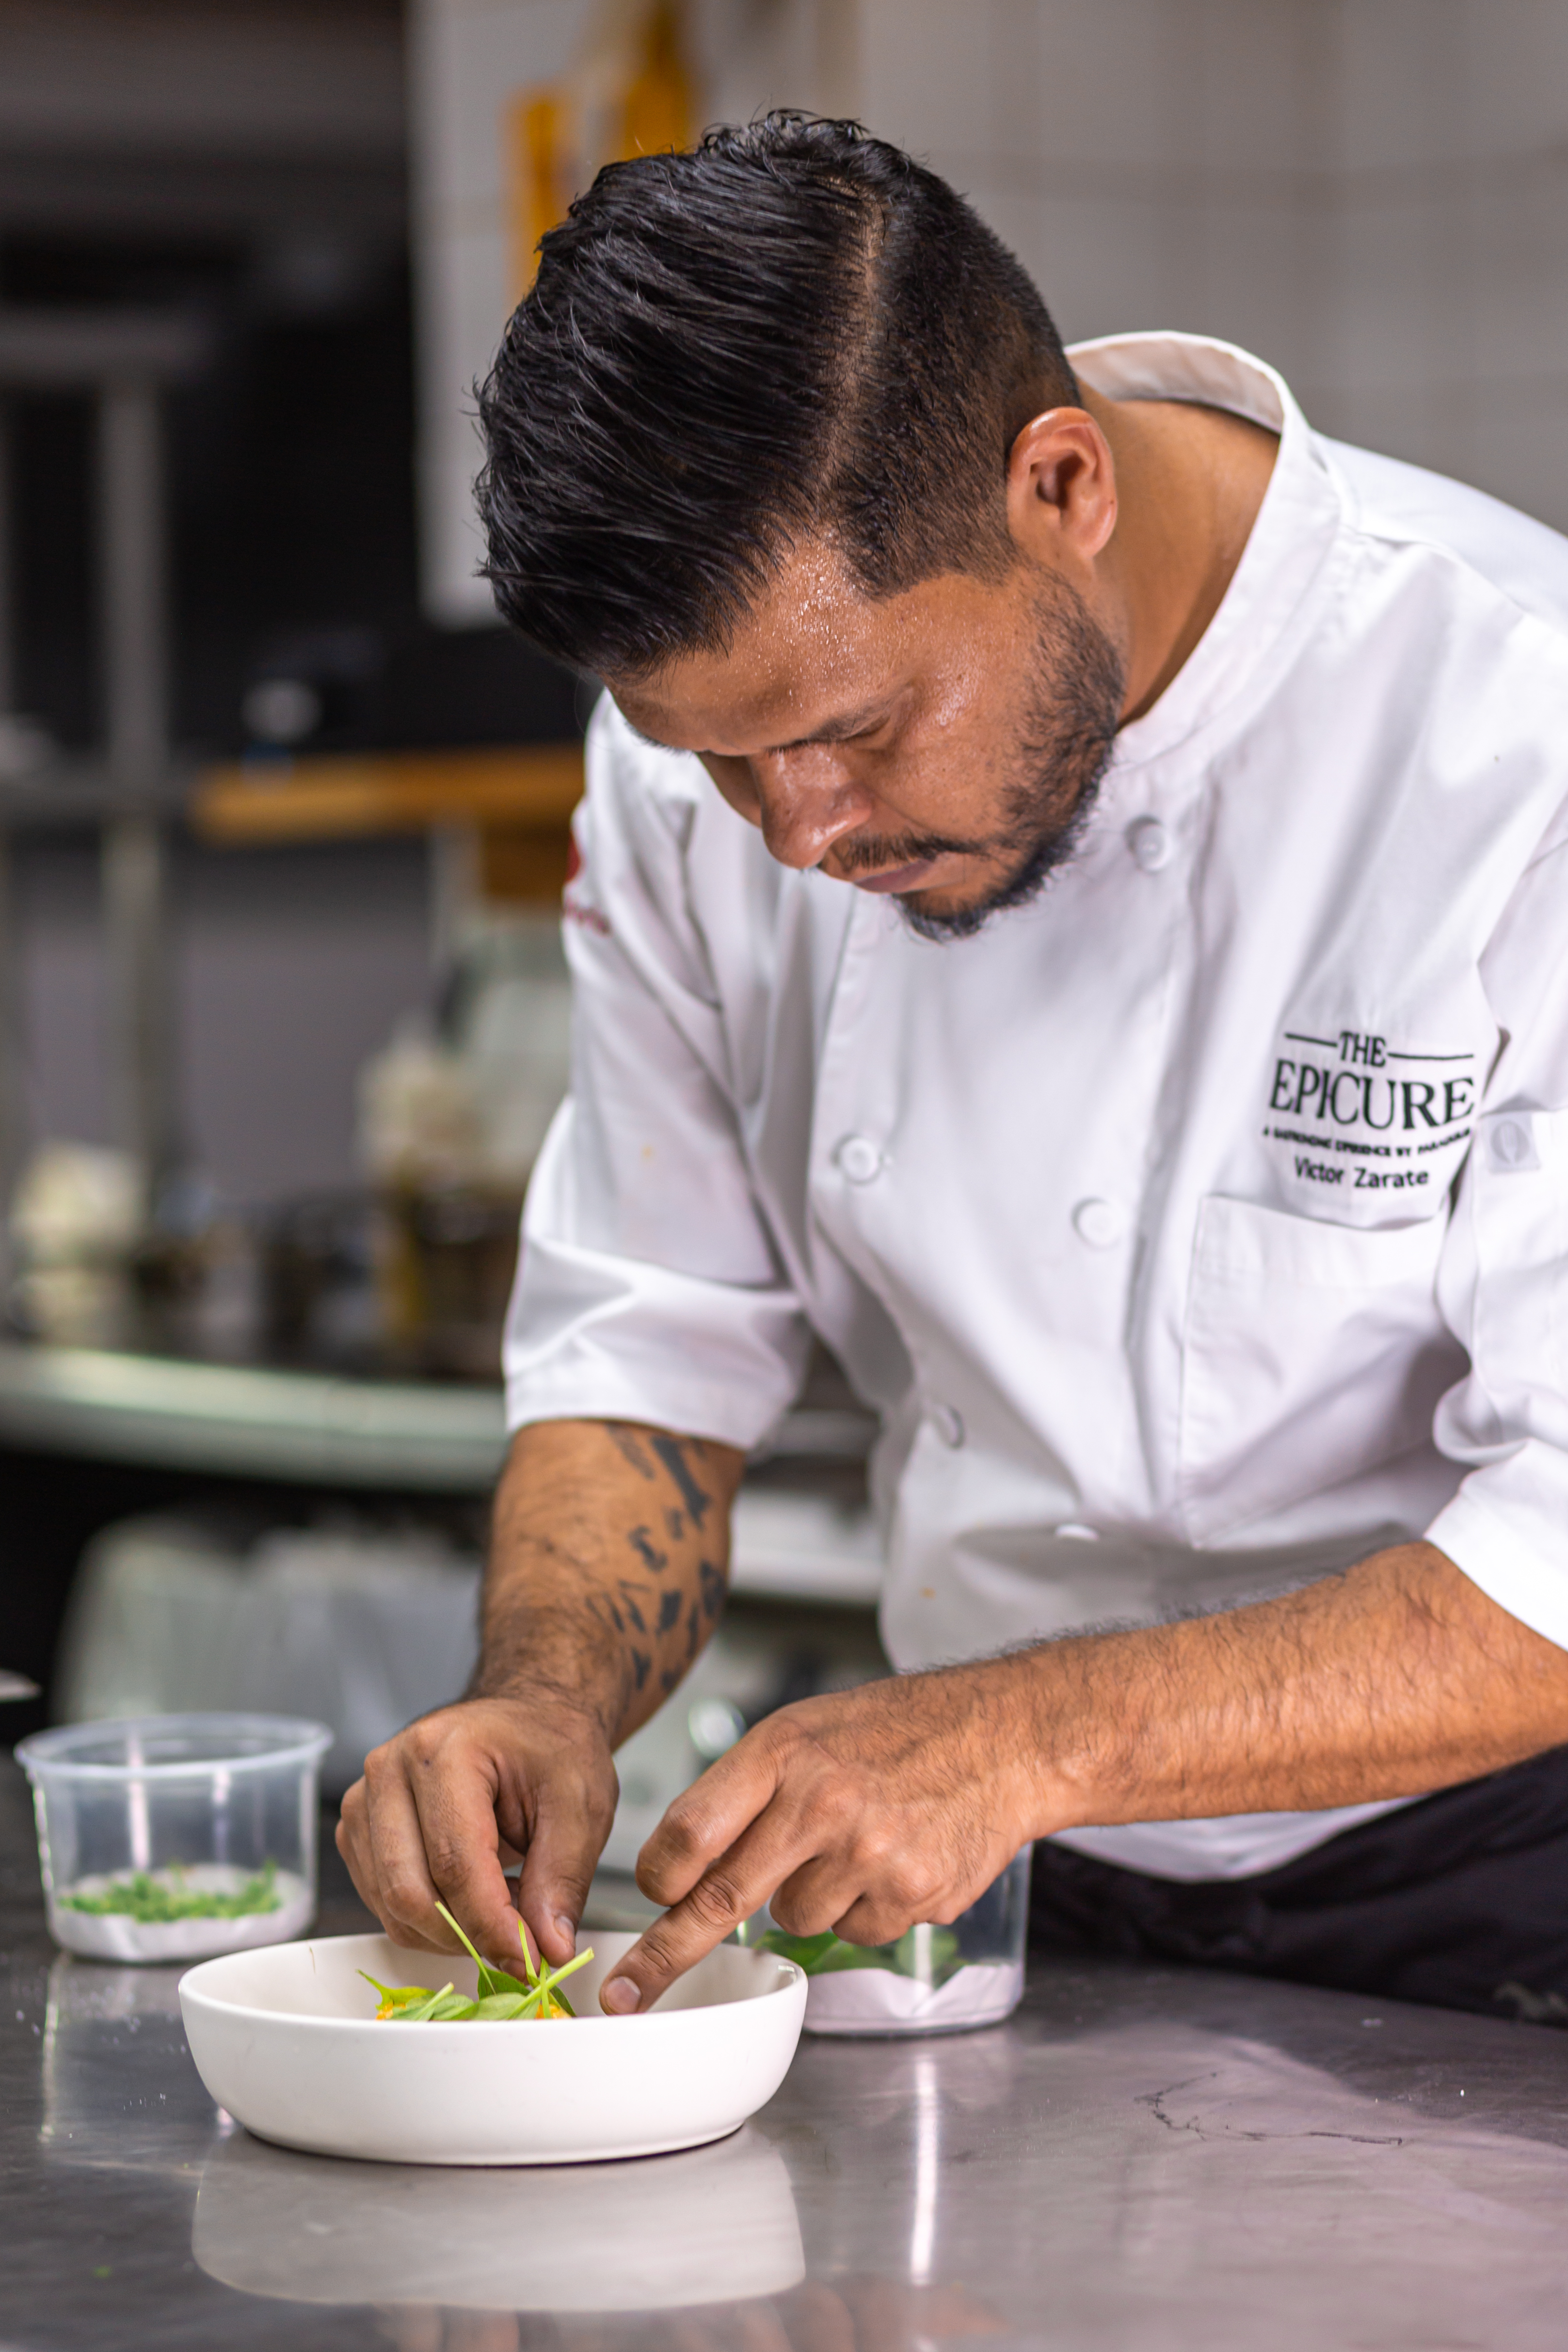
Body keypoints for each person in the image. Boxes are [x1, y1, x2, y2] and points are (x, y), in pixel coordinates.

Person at [338, 114, 1568, 2025]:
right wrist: (544, 1693)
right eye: (715, 761)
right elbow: (654, 1336)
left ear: (1055, 482)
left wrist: (1012, 1738)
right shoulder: (700, 790)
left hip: (1497, 1885)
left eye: (852, 730)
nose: (792, 836)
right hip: (987, 1901)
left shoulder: (1512, 736)